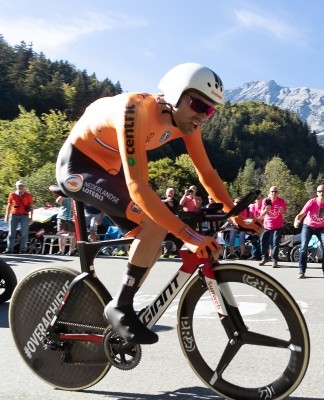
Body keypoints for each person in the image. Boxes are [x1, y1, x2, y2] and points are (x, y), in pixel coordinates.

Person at [55, 62, 263, 344]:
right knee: (157, 221)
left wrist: (237, 217)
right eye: (200, 106)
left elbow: (207, 174)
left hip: (111, 173)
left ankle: (121, 304)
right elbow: (138, 185)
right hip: (79, 168)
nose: (204, 116)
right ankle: (121, 307)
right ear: (177, 95)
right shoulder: (134, 110)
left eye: (211, 110)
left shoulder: (187, 123)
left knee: (154, 230)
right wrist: (187, 235)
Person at [293, 184, 324, 278]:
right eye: (319, 191)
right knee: (303, 246)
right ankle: (301, 271)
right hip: (308, 226)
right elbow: (300, 214)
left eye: (323, 191)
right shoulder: (311, 202)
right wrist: (296, 221)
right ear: (317, 193)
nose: (321, 193)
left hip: (321, 228)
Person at [258, 186, 287, 268]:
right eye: (272, 191)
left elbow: (285, 213)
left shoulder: (281, 201)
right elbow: (261, 215)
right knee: (263, 240)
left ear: (278, 193)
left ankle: (274, 260)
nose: (273, 193)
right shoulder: (266, 201)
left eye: (275, 191)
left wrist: (282, 212)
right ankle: (265, 258)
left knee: (275, 242)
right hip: (267, 225)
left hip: (277, 225)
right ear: (269, 192)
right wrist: (266, 210)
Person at [4, 180, 34, 254]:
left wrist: (31, 217)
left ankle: (23, 249)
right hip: (13, 215)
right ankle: (9, 249)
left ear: (24, 186)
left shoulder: (28, 195)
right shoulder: (12, 194)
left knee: (24, 233)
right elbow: (9, 205)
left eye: (22, 185)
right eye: (19, 185)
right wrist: (6, 216)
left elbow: (31, 206)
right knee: (11, 233)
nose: (20, 187)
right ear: (16, 186)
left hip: (24, 215)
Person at [248, 196, 263, 260]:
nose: (258, 200)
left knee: (261, 240)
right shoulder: (253, 206)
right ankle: (254, 255)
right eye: (256, 198)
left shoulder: (263, 205)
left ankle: (261, 255)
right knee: (254, 240)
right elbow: (251, 216)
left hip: (262, 224)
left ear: (261, 199)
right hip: (254, 224)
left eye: (259, 198)